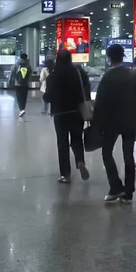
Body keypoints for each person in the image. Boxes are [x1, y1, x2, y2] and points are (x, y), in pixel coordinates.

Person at [92, 44, 136, 203]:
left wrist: (96, 124)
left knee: (107, 153)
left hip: (111, 122)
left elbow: (100, 102)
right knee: (128, 156)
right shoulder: (132, 75)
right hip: (130, 121)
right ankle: (128, 193)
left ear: (109, 58)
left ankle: (116, 186)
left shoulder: (108, 77)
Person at [43, 51, 90, 184]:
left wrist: (46, 97)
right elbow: (86, 89)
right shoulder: (78, 73)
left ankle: (65, 174)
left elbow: (48, 97)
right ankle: (80, 161)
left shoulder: (53, 77)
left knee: (62, 142)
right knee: (77, 139)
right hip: (76, 112)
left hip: (60, 114)